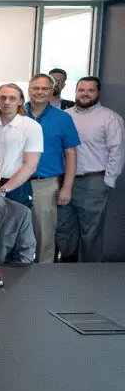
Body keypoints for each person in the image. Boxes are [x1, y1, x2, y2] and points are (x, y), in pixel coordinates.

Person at [56, 77, 124, 262]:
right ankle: (67, 271)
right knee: (64, 230)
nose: (85, 94)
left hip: (93, 182)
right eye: (81, 90)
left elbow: (116, 152)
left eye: (90, 90)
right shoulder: (64, 116)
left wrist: (106, 183)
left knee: (91, 233)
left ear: (98, 92)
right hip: (62, 182)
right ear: (75, 91)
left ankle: (91, 275)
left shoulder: (109, 118)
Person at [24, 74, 80, 264]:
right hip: (15, 183)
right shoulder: (16, 114)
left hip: (45, 185)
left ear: (51, 92)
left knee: (45, 237)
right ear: (29, 90)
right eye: (35, 88)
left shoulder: (63, 118)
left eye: (45, 89)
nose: (39, 92)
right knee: (13, 232)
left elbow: (71, 153)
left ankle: (42, 282)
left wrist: (67, 187)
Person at [0, 83, 43, 207]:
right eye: (3, 98)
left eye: (12, 98)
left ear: (20, 101)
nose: (6, 102)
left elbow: (30, 166)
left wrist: (3, 190)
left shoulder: (32, 127)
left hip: (17, 188)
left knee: (15, 226)